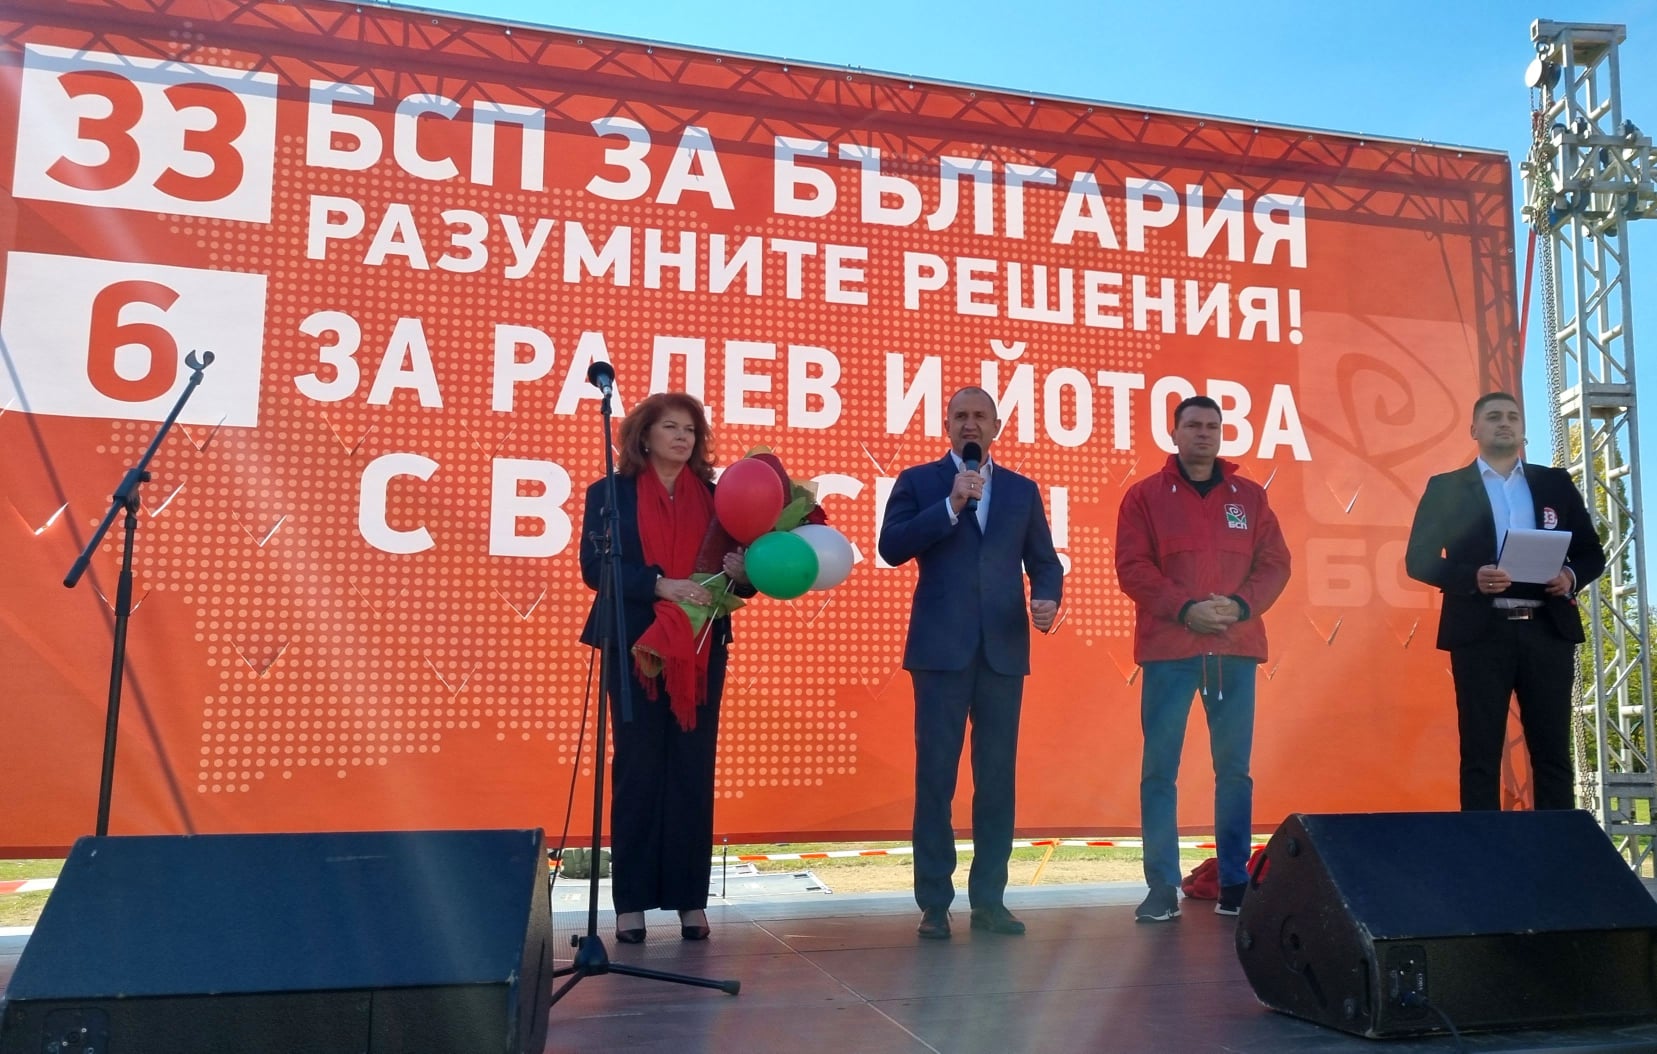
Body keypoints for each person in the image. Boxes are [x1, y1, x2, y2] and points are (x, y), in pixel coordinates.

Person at [878, 386, 1063, 940]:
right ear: (946, 425)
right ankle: (935, 904)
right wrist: (950, 506)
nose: (970, 424)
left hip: (1002, 650)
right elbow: (891, 546)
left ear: (997, 426)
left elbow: (1045, 562)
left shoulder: (1022, 491)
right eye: (960, 415)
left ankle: (990, 901)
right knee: (936, 777)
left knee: (997, 779)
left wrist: (1047, 598)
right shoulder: (920, 482)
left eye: (980, 416)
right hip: (940, 652)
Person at [579, 391, 749, 944]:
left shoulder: (719, 499)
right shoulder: (610, 494)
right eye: (670, 427)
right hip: (636, 643)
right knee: (639, 768)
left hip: (699, 648)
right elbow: (594, 568)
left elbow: (743, 581)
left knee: (691, 769)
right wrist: (658, 585)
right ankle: (629, 905)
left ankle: (689, 902)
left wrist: (742, 570)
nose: (682, 437)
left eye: (690, 430)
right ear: (644, 437)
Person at [1115, 395, 1291, 923]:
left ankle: (1234, 882)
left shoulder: (1250, 497)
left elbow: (1275, 564)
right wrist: (1186, 609)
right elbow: (1133, 568)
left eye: (1212, 426)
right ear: (1174, 433)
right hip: (1170, 651)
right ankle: (1162, 886)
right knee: (1159, 771)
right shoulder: (1144, 496)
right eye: (1193, 425)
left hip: (1234, 651)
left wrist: (1238, 606)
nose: (1203, 433)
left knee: (1234, 771)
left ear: (1221, 433)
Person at [1404, 391, 1605, 812]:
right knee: (1480, 754)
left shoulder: (1554, 483)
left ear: (1523, 430)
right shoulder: (1447, 488)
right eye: (1494, 416)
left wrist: (1569, 576)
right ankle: (1482, 850)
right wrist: (1471, 578)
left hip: (1547, 631)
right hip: (1481, 633)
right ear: (1474, 430)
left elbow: (1592, 553)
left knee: (1553, 753)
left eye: (1513, 417)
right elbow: (1418, 559)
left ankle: (1555, 846)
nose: (1505, 423)